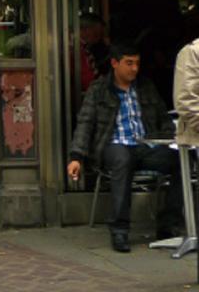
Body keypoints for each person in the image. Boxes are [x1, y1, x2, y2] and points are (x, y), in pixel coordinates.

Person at [67, 41, 181, 252]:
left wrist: (172, 139)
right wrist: (77, 156)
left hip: (145, 145)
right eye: (129, 63)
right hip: (113, 145)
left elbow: (163, 118)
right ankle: (119, 230)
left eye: (137, 63)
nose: (134, 69)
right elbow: (85, 122)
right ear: (114, 63)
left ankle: (168, 224)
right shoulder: (99, 89)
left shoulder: (145, 87)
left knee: (181, 162)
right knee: (122, 160)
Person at [77, 13, 110, 93]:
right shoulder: (78, 49)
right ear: (85, 30)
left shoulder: (85, 47)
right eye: (96, 34)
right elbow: (88, 80)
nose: (98, 38)